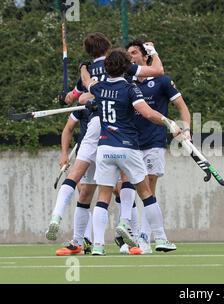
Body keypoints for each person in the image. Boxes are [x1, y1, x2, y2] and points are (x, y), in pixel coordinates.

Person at [45, 32, 164, 242]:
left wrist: (69, 90)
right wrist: (152, 51)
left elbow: (76, 97)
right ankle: (129, 228)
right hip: (120, 130)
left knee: (78, 178)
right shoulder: (125, 67)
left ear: (88, 52)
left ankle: (59, 217)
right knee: (128, 183)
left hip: (95, 128)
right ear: (108, 48)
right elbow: (157, 71)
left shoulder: (90, 71)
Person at [82, 48, 183, 255]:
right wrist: (168, 121)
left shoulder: (99, 87)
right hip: (127, 147)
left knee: (103, 196)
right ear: (127, 67)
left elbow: (86, 82)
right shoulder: (130, 89)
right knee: (146, 193)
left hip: (105, 148)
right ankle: (161, 238)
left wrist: (83, 68)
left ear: (106, 68)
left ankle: (99, 246)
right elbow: (147, 113)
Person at [124, 39, 192, 254]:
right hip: (131, 144)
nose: (130, 56)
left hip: (154, 143)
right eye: (128, 54)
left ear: (145, 57)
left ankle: (145, 240)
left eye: (134, 53)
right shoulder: (126, 81)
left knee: (148, 192)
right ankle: (136, 237)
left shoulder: (162, 80)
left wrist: (187, 129)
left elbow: (182, 107)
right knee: (130, 191)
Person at [54, 110, 95, 255]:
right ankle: (84, 241)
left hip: (110, 147)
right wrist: (64, 153)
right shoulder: (83, 102)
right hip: (87, 150)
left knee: (117, 190)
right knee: (84, 194)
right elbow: (69, 127)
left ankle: (132, 240)